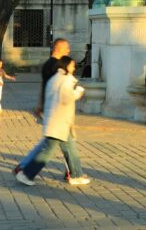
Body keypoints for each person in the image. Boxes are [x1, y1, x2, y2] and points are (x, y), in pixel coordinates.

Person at [16, 56, 89, 186]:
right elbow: (66, 98)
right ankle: (27, 174)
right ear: (66, 66)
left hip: (57, 121)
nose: (74, 67)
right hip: (59, 122)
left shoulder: (55, 78)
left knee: (70, 149)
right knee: (47, 152)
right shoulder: (65, 80)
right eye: (72, 65)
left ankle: (76, 175)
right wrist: (78, 92)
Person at [15, 38, 71, 176]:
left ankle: (23, 165)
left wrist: (40, 103)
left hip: (49, 106)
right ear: (58, 48)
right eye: (66, 48)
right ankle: (72, 171)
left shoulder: (47, 64)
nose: (68, 50)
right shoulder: (58, 66)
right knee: (60, 142)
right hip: (56, 108)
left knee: (51, 141)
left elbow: (43, 85)